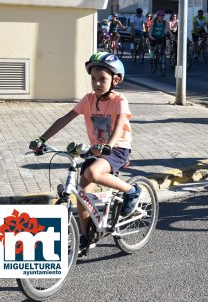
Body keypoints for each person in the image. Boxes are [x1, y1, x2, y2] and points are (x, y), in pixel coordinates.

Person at [28, 53, 140, 255]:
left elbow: (119, 125)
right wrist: (42, 139)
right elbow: (65, 119)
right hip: (96, 149)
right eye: (93, 79)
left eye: (103, 79)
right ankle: (86, 237)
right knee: (82, 192)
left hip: (118, 148)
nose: (97, 83)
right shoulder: (88, 100)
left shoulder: (119, 101)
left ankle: (131, 191)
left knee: (95, 173)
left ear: (116, 80)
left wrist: (109, 145)